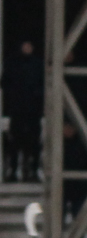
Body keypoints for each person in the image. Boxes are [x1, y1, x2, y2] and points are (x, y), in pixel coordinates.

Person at [2, 41, 43, 182]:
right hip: (18, 109)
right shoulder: (13, 64)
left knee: (33, 142)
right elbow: (5, 82)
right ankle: (13, 170)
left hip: (32, 110)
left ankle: (32, 170)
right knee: (15, 141)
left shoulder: (37, 64)